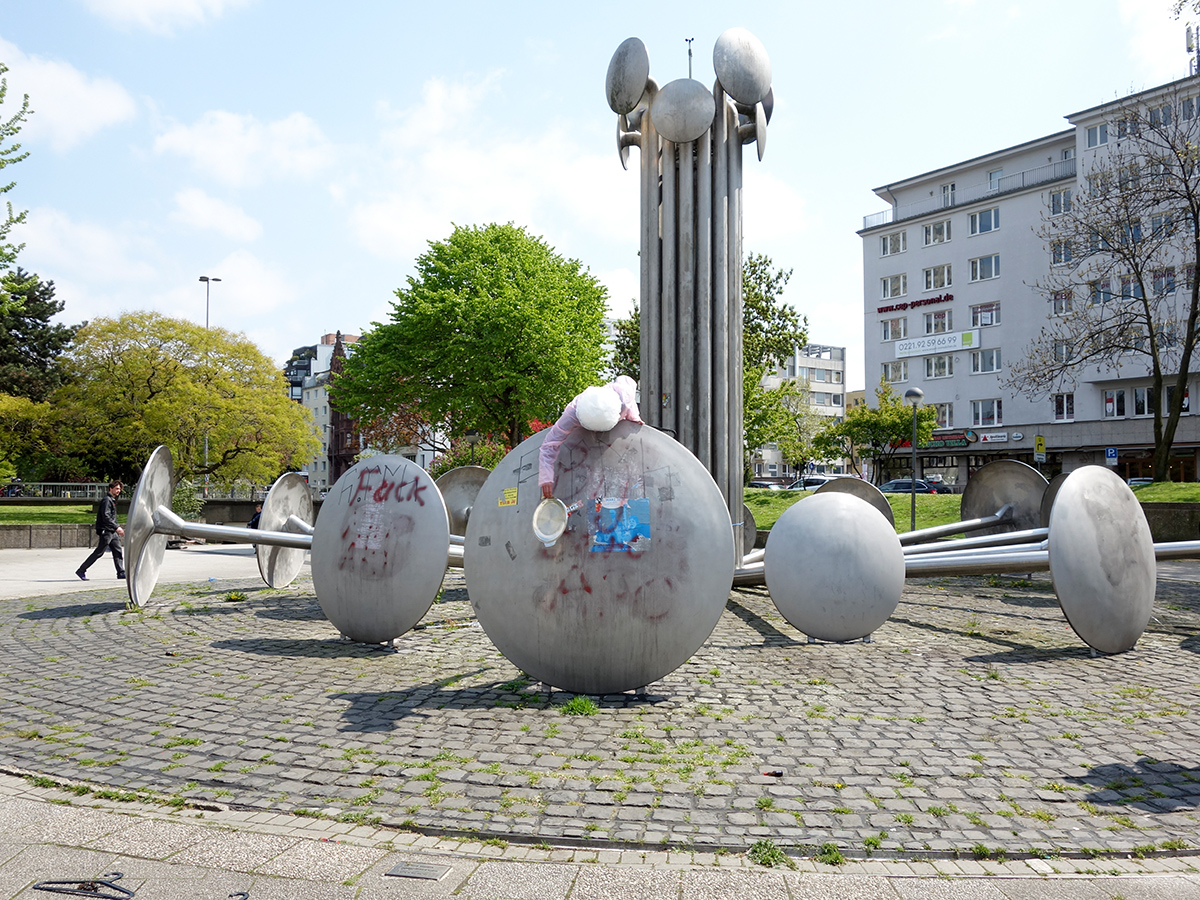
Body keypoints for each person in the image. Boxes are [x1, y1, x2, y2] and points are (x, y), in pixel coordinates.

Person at [539, 376, 643, 499]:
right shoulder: (572, 413)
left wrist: (633, 417)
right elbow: (549, 445)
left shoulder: (624, 395)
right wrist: (546, 477)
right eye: (592, 429)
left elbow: (627, 381)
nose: (595, 432)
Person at [76, 480, 125, 581]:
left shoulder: (111, 500)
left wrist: (115, 528)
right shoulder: (107, 500)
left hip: (112, 531)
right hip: (107, 531)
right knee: (99, 552)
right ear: (110, 488)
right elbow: (106, 517)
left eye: (119, 489)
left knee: (117, 551)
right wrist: (117, 527)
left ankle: (121, 572)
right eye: (116, 488)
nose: (118, 491)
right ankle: (81, 570)